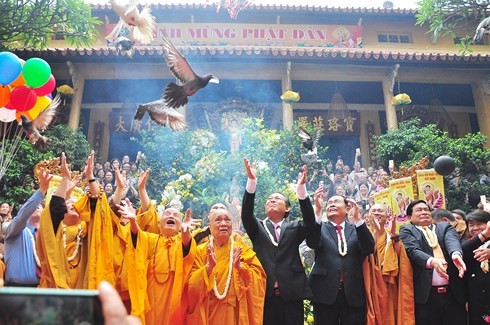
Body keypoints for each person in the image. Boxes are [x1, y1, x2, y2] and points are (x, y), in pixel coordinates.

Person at [241, 158, 316, 325]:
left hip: (291, 294)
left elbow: (311, 222)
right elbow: (246, 214)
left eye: (277, 199)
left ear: (287, 208)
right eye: (269, 199)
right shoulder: (258, 228)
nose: (272, 200)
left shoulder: (295, 228)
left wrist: (301, 190)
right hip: (264, 293)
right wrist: (252, 181)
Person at [37, 151, 115, 289]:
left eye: (76, 204)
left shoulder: (85, 230)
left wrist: (91, 177)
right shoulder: (55, 228)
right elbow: (54, 210)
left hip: (82, 288)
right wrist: (65, 178)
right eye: (69, 203)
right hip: (55, 289)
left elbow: (99, 210)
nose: (74, 204)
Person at [117, 198, 200, 324]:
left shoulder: (181, 241)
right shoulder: (150, 239)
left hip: (173, 295)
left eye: (175, 215)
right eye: (167, 214)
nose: (171, 216)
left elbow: (187, 247)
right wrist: (133, 221)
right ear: (159, 223)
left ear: (179, 224)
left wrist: (185, 231)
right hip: (151, 294)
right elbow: (137, 239)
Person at [186, 207, 266, 325]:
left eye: (227, 220)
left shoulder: (241, 249)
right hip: (208, 312)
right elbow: (190, 286)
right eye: (218, 220)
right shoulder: (199, 251)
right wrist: (208, 268)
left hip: (233, 313)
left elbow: (260, 279)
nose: (223, 224)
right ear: (210, 225)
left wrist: (240, 268)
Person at [306, 194, 375, 325]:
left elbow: (368, 248)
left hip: (352, 292)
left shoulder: (357, 229)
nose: (331, 204)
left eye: (336, 201)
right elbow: (312, 243)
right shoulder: (320, 227)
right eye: (329, 202)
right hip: (324, 291)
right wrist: (318, 212)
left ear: (347, 208)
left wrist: (358, 219)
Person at [399, 200, 467, 325]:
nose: (424, 212)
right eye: (419, 210)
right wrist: (432, 261)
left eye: (426, 209)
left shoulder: (444, 226)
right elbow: (413, 251)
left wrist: (456, 254)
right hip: (427, 296)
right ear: (409, 217)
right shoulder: (407, 230)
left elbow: (452, 241)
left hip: (453, 294)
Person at [3, 168, 51, 287]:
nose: (37, 207)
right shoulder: (15, 229)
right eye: (33, 206)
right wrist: (42, 190)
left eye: (40, 206)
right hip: (16, 289)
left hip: (43, 289)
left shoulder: (48, 235)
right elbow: (22, 217)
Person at [368, 204, 414, 325]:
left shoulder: (392, 236)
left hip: (387, 283)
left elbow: (400, 258)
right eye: (374, 211)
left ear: (387, 216)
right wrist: (376, 234)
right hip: (368, 283)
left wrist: (394, 238)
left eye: (380, 211)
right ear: (368, 216)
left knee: (388, 314)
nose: (377, 213)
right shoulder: (362, 234)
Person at [461, 210, 490, 325]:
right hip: (477, 300)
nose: (475, 228)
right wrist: (485, 234)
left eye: (479, 224)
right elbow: (464, 250)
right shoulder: (467, 244)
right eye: (471, 225)